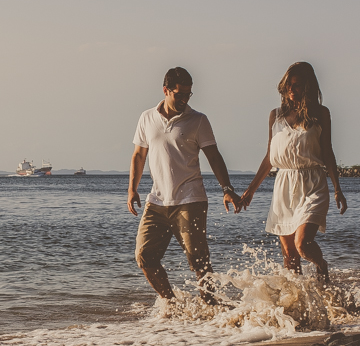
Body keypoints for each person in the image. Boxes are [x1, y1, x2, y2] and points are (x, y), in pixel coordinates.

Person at [128, 67, 239, 303]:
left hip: (191, 200)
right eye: (179, 94)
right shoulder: (147, 118)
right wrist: (132, 189)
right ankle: (172, 304)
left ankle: (211, 306)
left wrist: (227, 189)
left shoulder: (198, 120)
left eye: (188, 94)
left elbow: (214, 156)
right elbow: (139, 155)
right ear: (166, 90)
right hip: (157, 201)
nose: (184, 99)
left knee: (198, 261)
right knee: (144, 256)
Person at [234, 62, 346, 282]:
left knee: (302, 244)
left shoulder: (321, 114)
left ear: (308, 87)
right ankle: (299, 300)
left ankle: (321, 266)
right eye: (288, 86)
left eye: (297, 85)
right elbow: (270, 157)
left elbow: (328, 152)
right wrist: (250, 190)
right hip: (284, 185)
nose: (291, 90)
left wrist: (337, 188)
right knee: (290, 256)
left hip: (313, 183)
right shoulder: (275, 116)